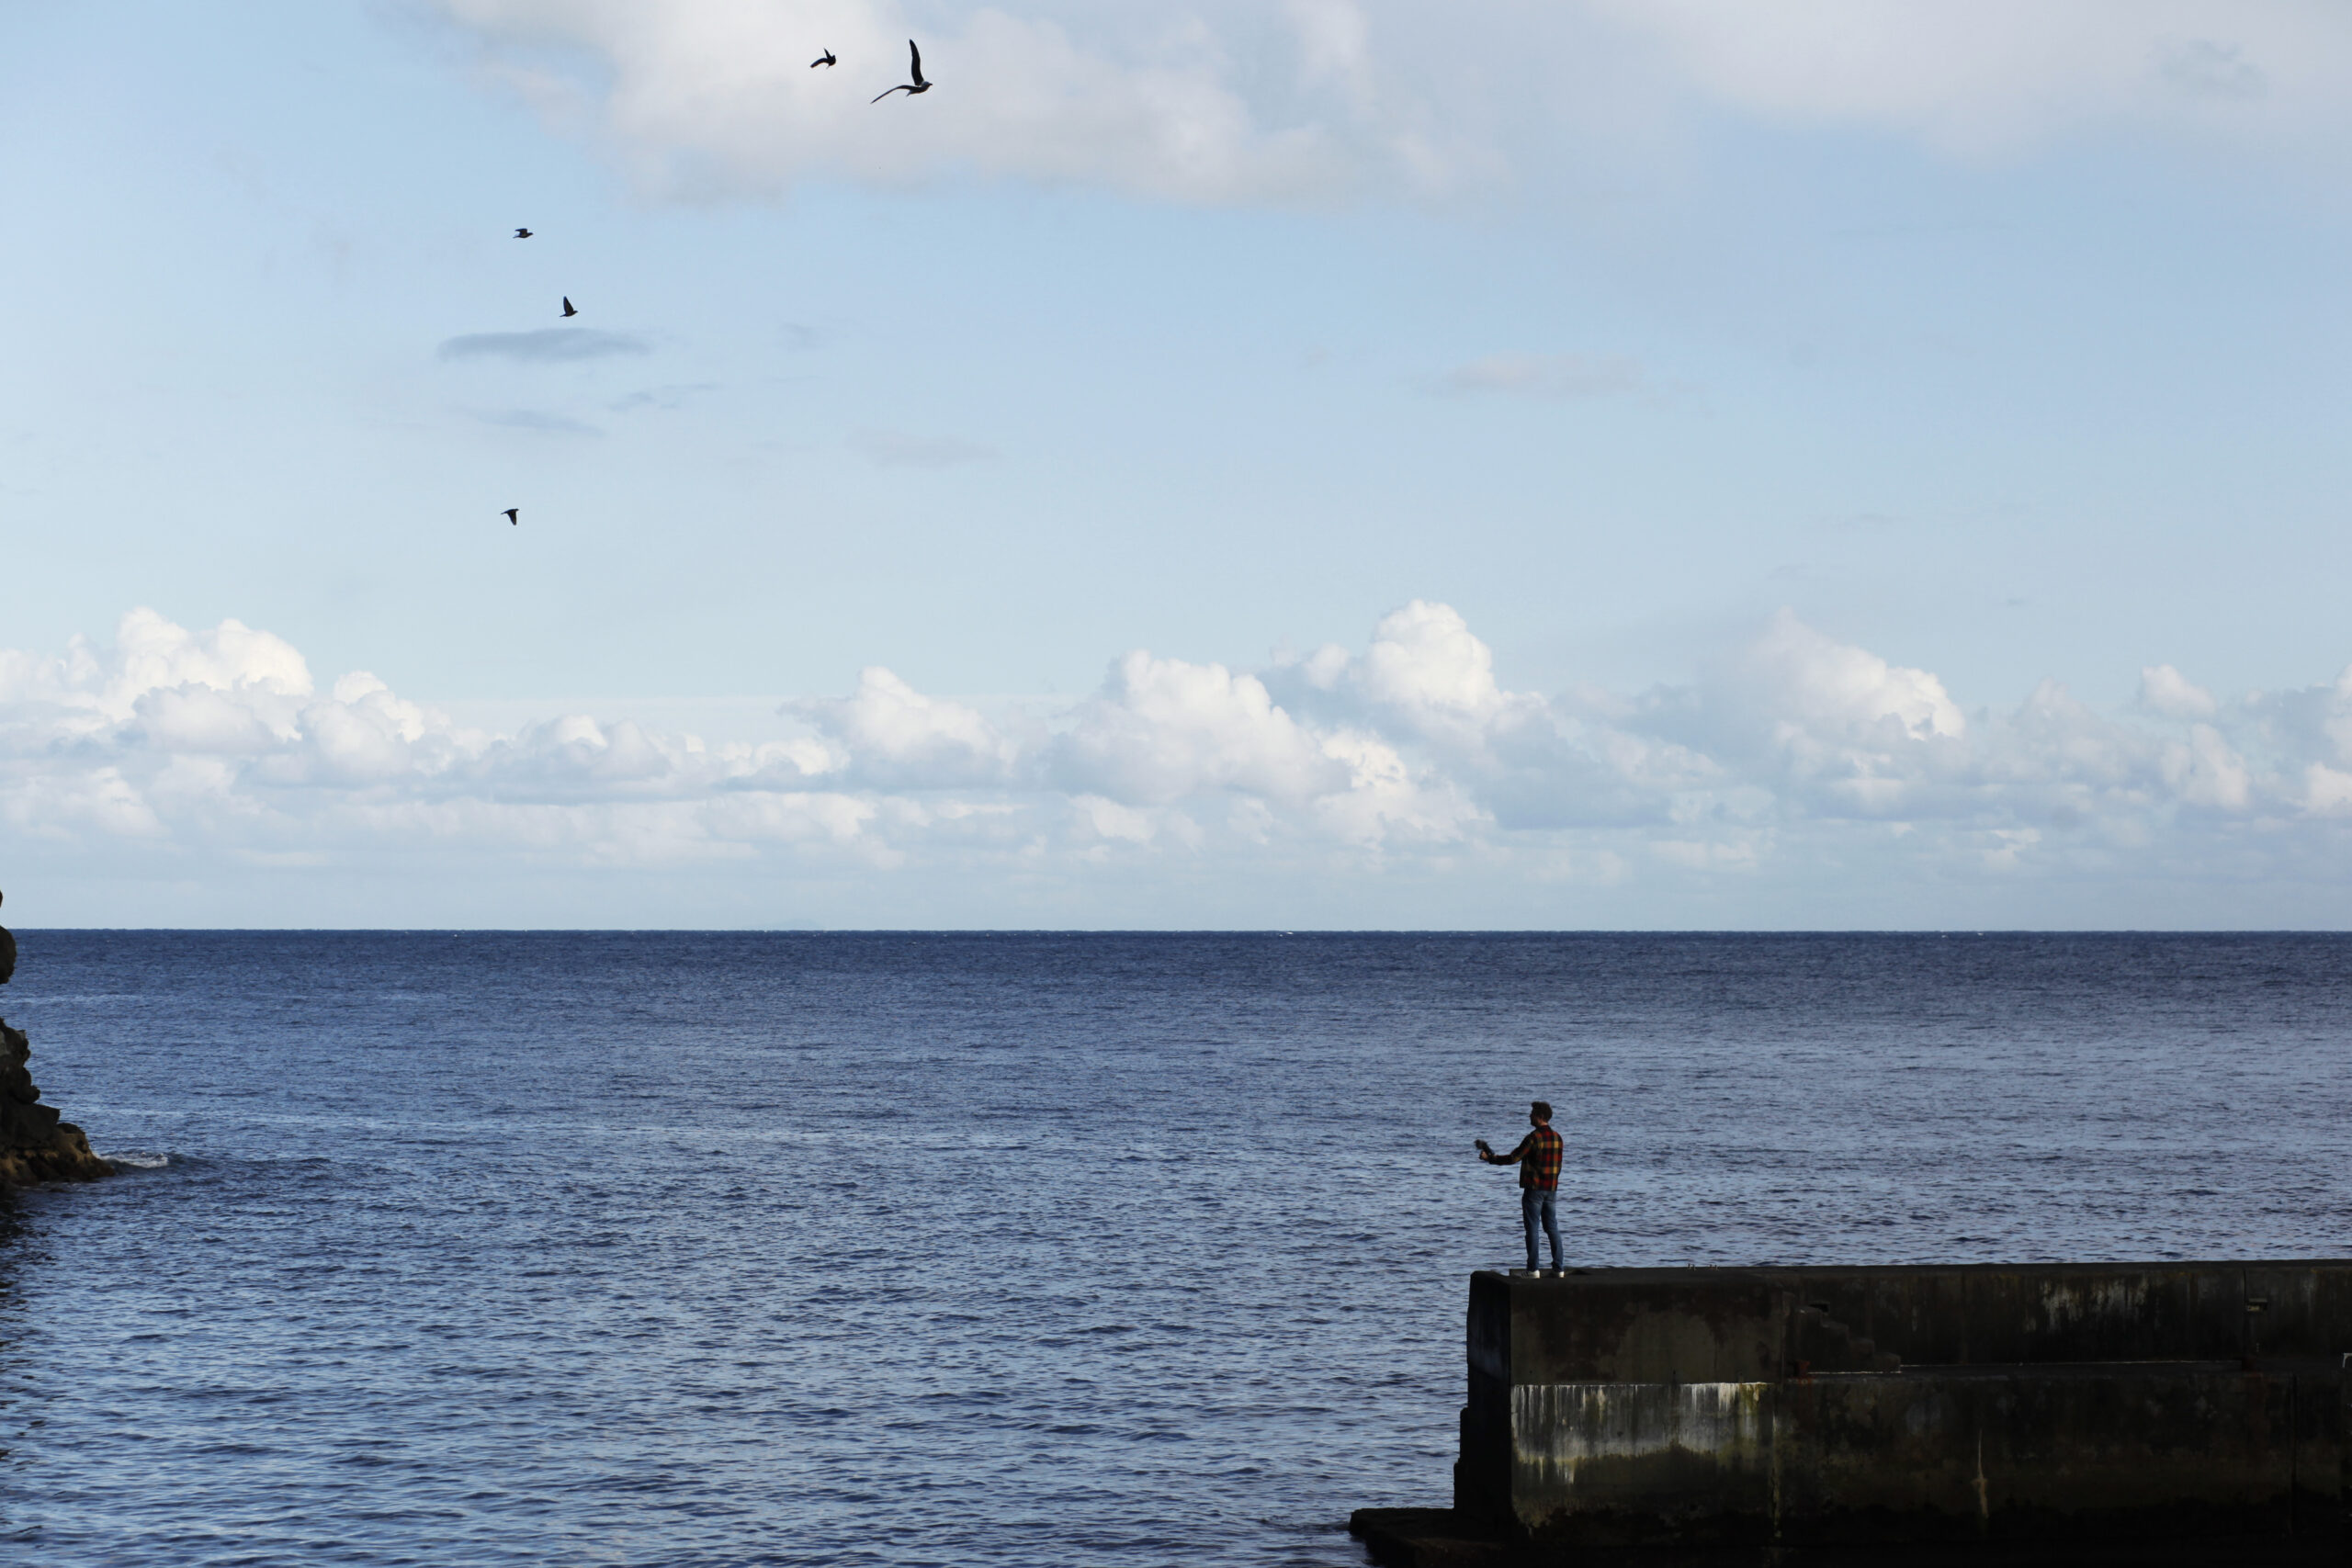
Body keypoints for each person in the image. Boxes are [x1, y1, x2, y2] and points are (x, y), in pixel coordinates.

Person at [1476, 1100, 1564, 1273]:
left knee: (1532, 1230)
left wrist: (1490, 1159)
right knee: (1552, 1228)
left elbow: (1513, 1158)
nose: (1529, 1116)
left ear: (1540, 1116)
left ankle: (1533, 1270)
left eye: (1532, 1113)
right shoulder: (1557, 1138)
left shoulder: (1533, 1138)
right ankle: (1559, 1269)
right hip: (1551, 1189)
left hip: (1534, 1190)